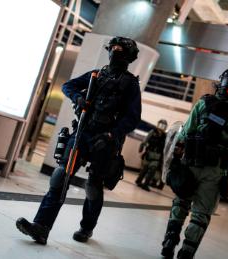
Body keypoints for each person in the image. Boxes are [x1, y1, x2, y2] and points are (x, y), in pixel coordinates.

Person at [16, 36, 142, 245]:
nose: (115, 53)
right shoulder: (97, 74)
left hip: (106, 142)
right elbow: (68, 86)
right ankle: (41, 227)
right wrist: (78, 98)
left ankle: (86, 228)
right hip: (83, 134)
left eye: (120, 50)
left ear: (128, 57)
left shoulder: (130, 84)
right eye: (113, 49)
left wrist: (112, 134)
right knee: (60, 176)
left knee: (93, 186)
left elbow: (132, 118)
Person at [161, 68, 228, 259]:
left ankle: (169, 242)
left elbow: (184, 134)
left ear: (219, 83)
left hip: (189, 164)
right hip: (214, 172)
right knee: (201, 213)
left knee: (181, 203)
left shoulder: (203, 103)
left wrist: (174, 162)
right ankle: (186, 253)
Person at [136, 119, 167, 191]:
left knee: (152, 170)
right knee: (144, 169)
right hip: (149, 154)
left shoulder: (165, 136)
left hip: (157, 156)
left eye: (163, 126)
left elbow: (165, 147)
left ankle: (145, 184)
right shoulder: (152, 132)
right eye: (161, 125)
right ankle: (138, 181)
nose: (162, 127)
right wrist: (141, 149)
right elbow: (145, 141)